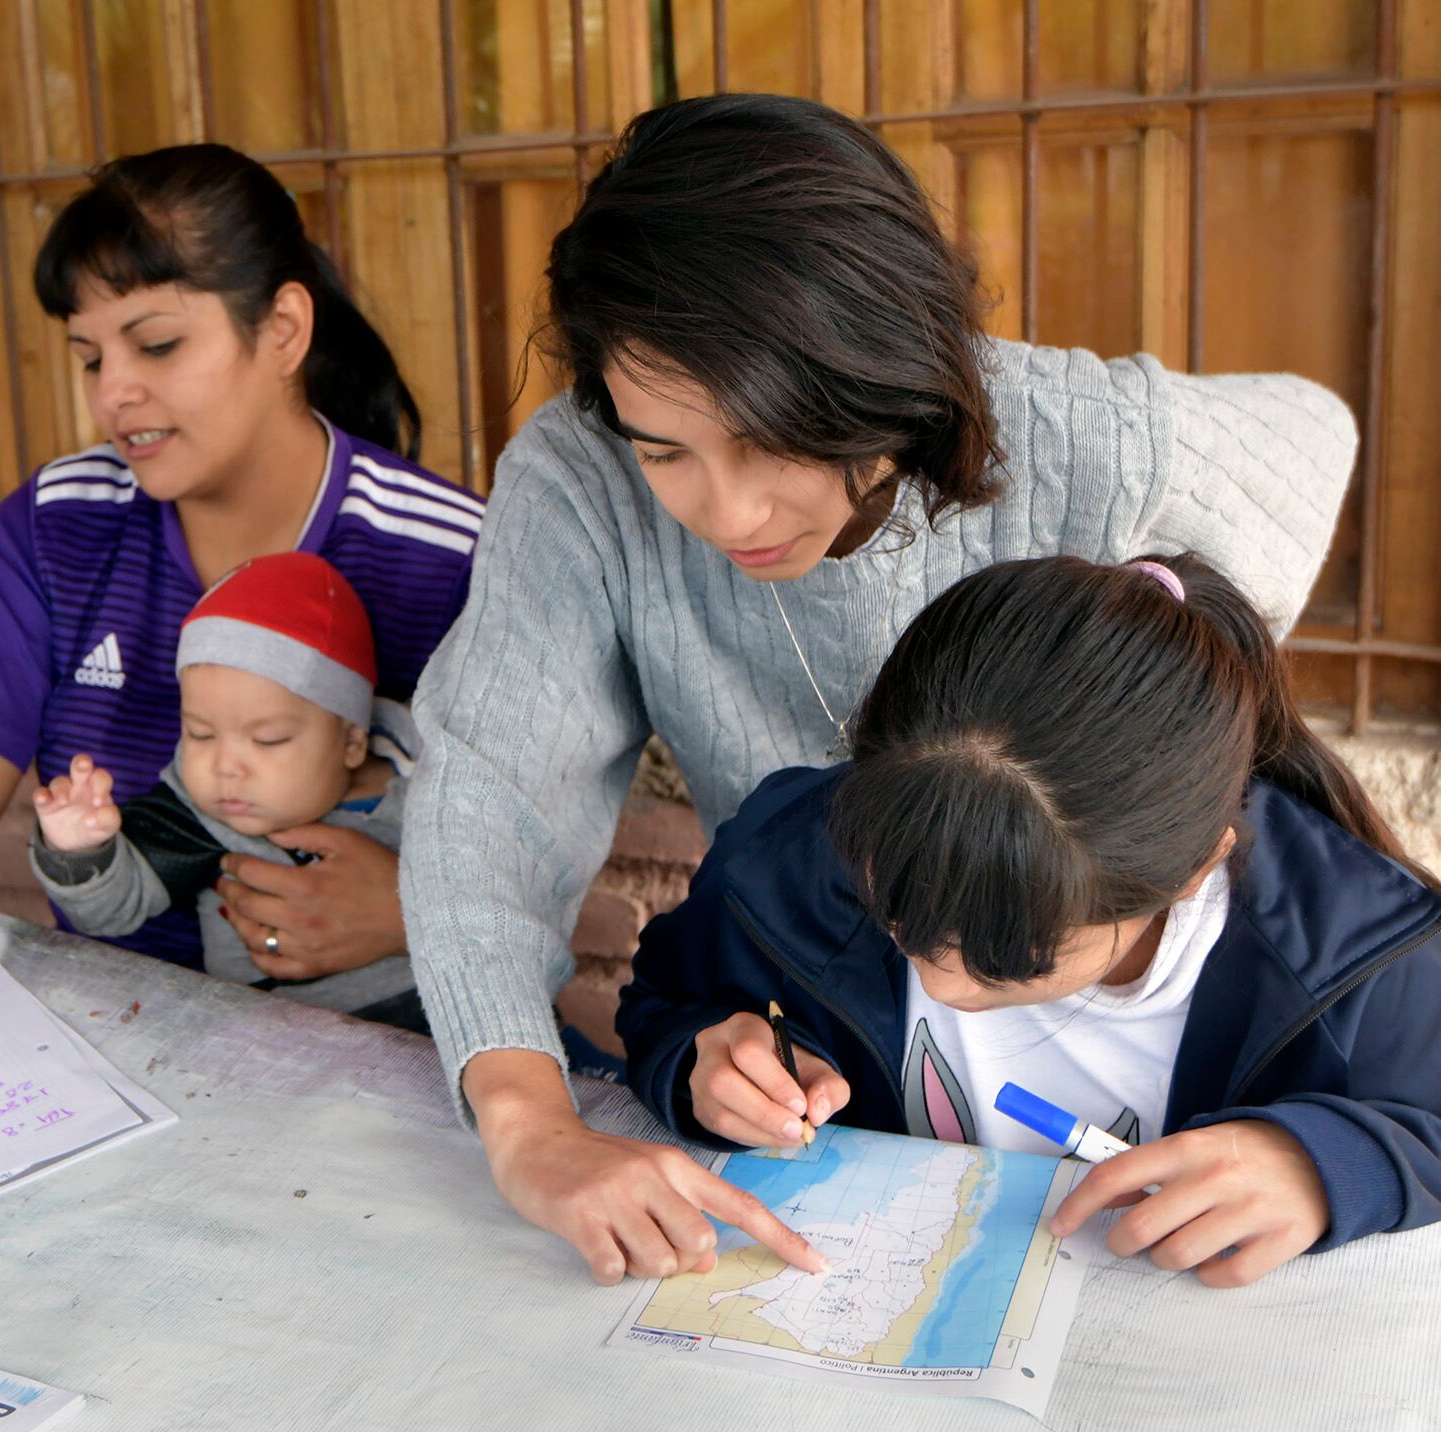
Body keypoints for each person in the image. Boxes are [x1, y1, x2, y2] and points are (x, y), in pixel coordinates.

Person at [401, 92, 1358, 1285]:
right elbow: (491, 796)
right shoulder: (577, 481)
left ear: (879, 368)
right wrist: (532, 1129)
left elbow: (1308, 437)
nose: (730, 514)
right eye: (664, 450)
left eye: (774, 438)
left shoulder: (1060, 430)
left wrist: (1149, 712)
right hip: (852, 1076)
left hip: (1137, 1068)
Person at [0, 144, 481, 1030]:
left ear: (285, 332)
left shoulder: (447, 556)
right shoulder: (50, 530)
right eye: (89, 358)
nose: (114, 394)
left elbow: (541, 839)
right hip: (118, 1038)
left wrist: (417, 911)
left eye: (157, 344)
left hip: (392, 1053)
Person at [617, 553, 1441, 1288]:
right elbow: (665, 1001)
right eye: (896, 911)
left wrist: (1326, 1167)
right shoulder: (790, 857)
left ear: (1191, 874)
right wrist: (700, 1061)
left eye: (1009, 960)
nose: (940, 979)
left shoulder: (1360, 957)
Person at [30, 552, 420, 1024]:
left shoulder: (439, 787)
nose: (225, 767)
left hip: (446, 1027)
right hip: (280, 1041)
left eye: (267, 739)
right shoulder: (198, 815)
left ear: (352, 741)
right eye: (200, 733)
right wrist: (78, 850)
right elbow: (113, 907)